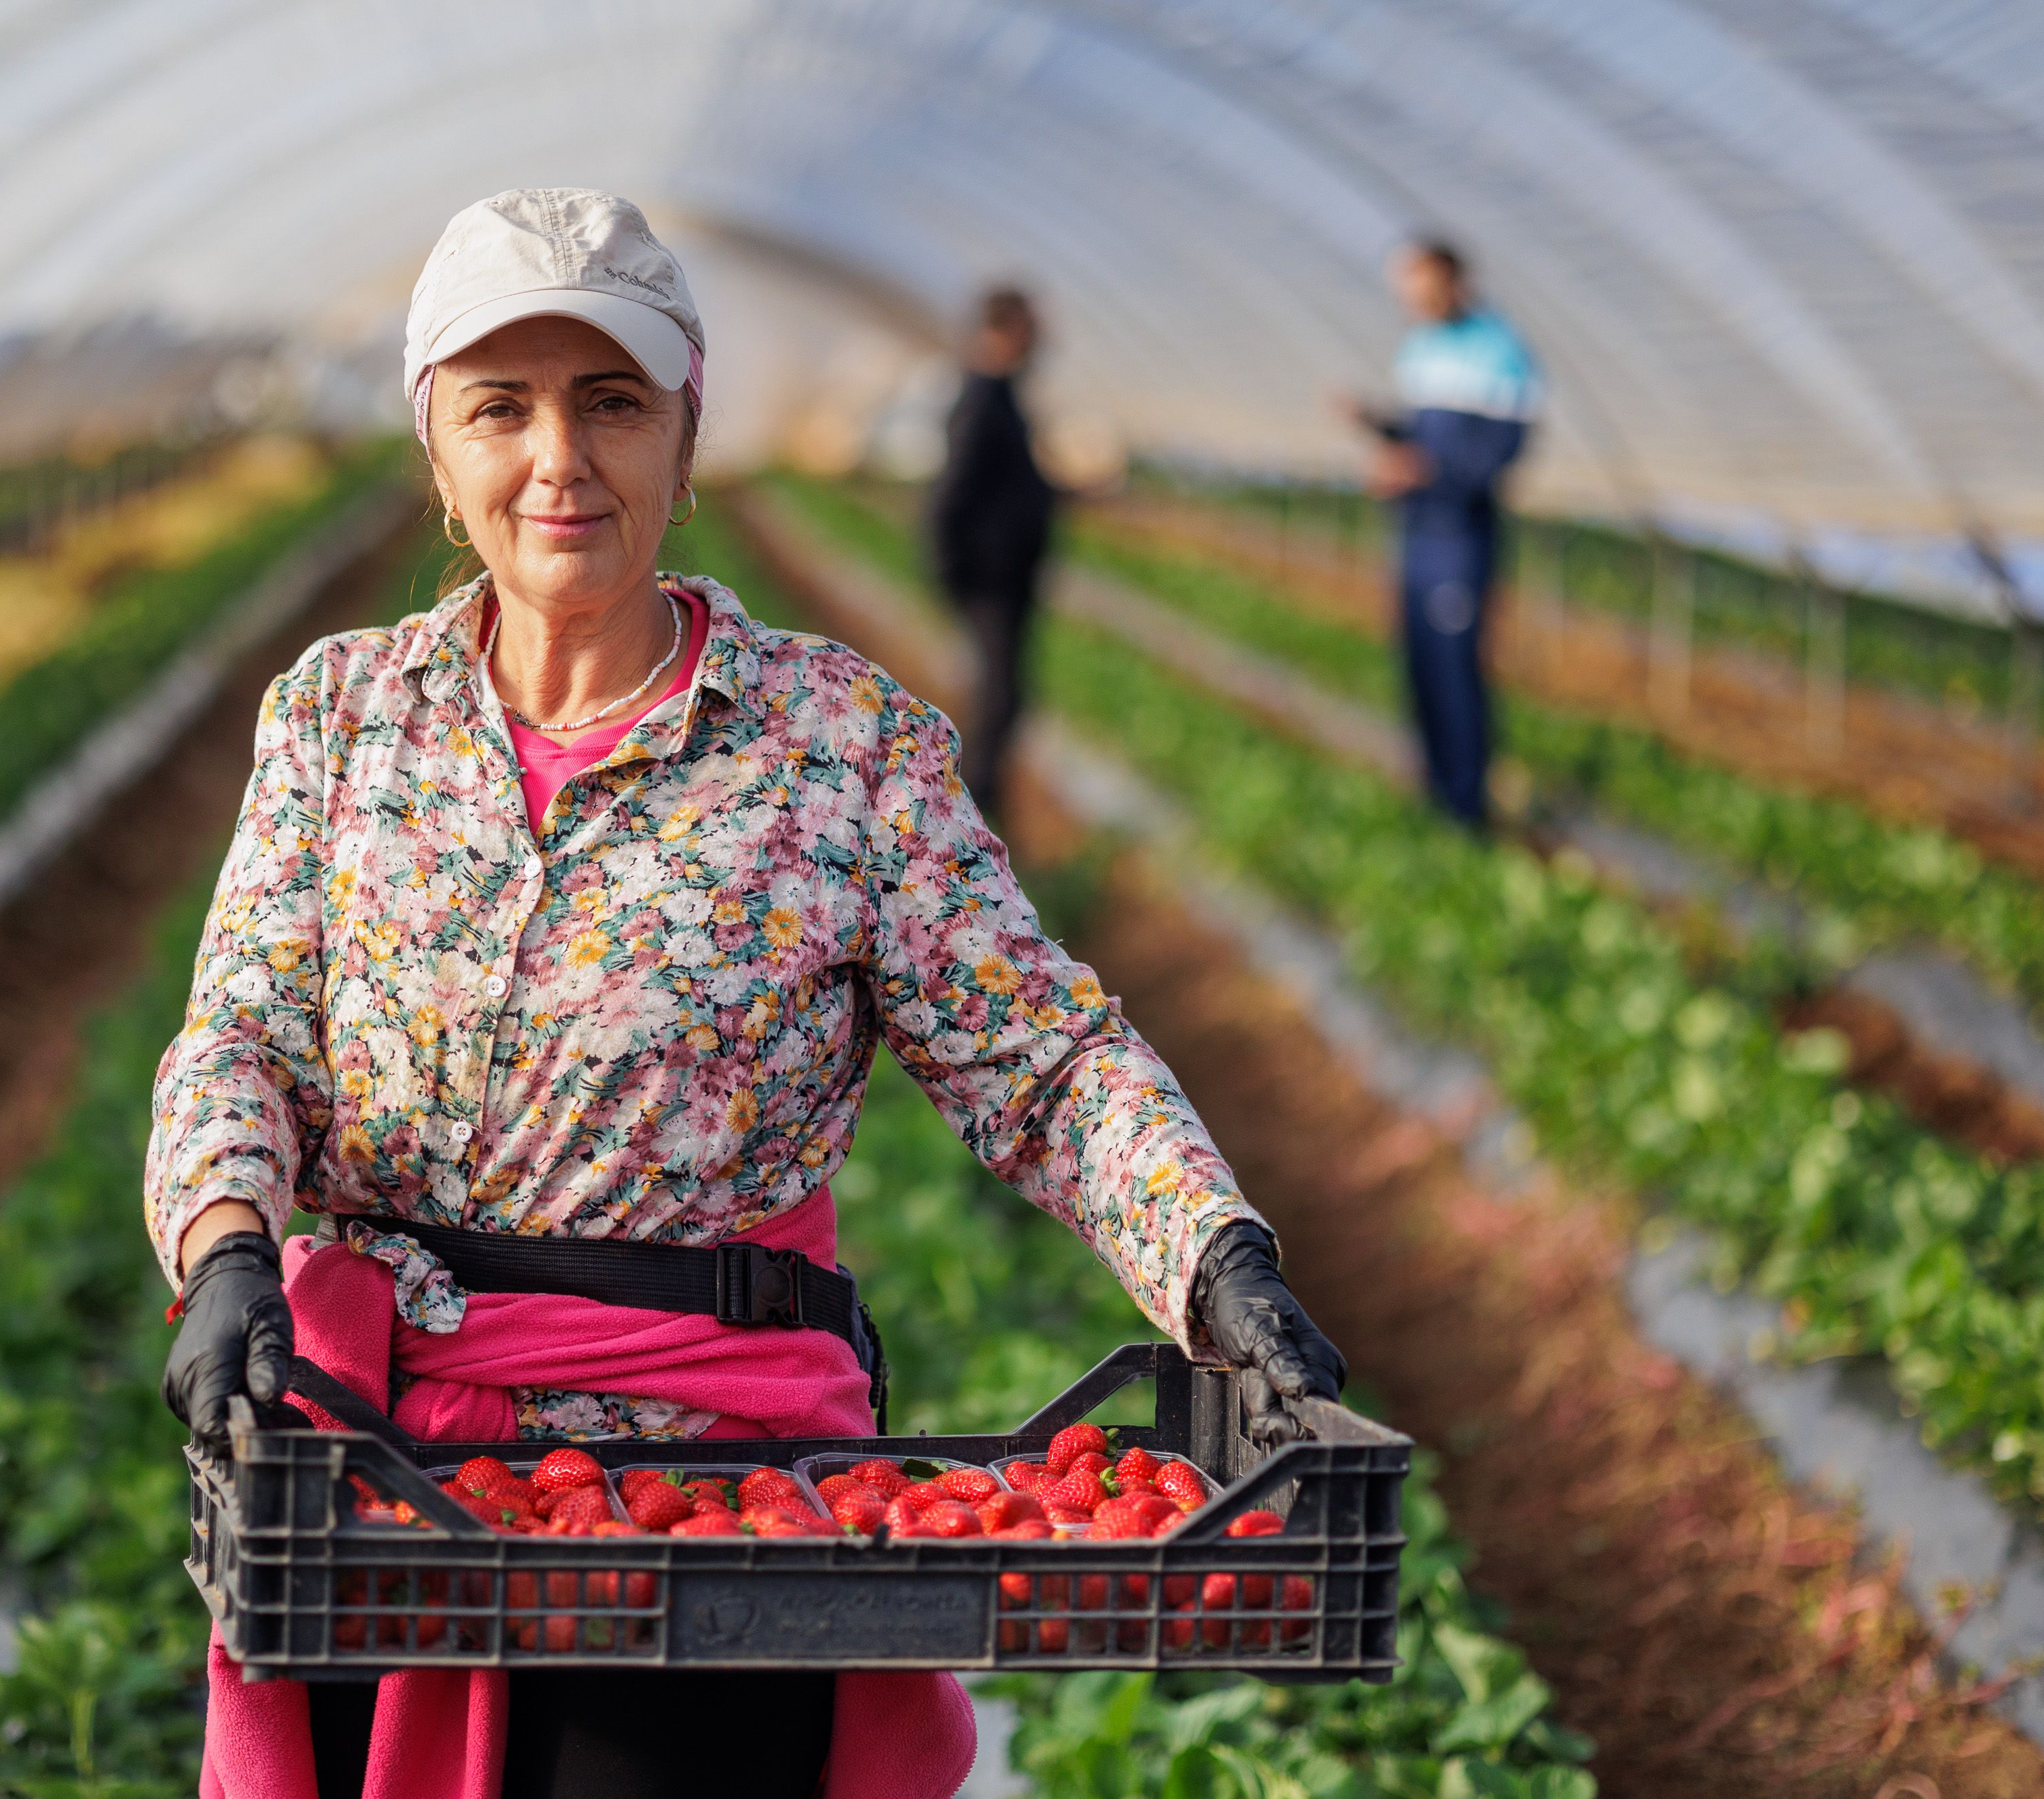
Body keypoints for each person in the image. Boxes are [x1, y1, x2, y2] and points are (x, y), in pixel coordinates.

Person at [146, 188, 1345, 1799]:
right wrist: (228, 1246)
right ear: (435, 445)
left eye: (612, 403)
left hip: (711, 1509)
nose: (558, 459)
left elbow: (1040, 1058)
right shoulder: (341, 718)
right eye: (501, 408)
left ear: (685, 433)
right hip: (379, 1496)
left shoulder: (838, 748)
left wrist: (1216, 1257)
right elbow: (242, 1035)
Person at [1347, 237, 1539, 830]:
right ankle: (1432, 794)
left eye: (1421, 285)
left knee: (1457, 671)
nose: (1411, 298)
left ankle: (1466, 808)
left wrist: (1425, 472)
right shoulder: (1420, 347)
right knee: (1421, 667)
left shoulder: (1499, 350)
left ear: (1455, 282)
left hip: (1459, 539)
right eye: (1405, 287)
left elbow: (1500, 451)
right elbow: (1415, 436)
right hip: (1417, 534)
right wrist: (1376, 427)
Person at [928, 287, 1055, 822]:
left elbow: (1012, 485)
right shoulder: (981, 400)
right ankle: (967, 810)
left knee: (1006, 694)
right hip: (989, 577)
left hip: (1008, 575)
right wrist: (952, 569)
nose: (1038, 341)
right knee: (1000, 697)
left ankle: (980, 804)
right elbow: (953, 491)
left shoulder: (1003, 396)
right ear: (1000, 332)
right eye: (1027, 329)